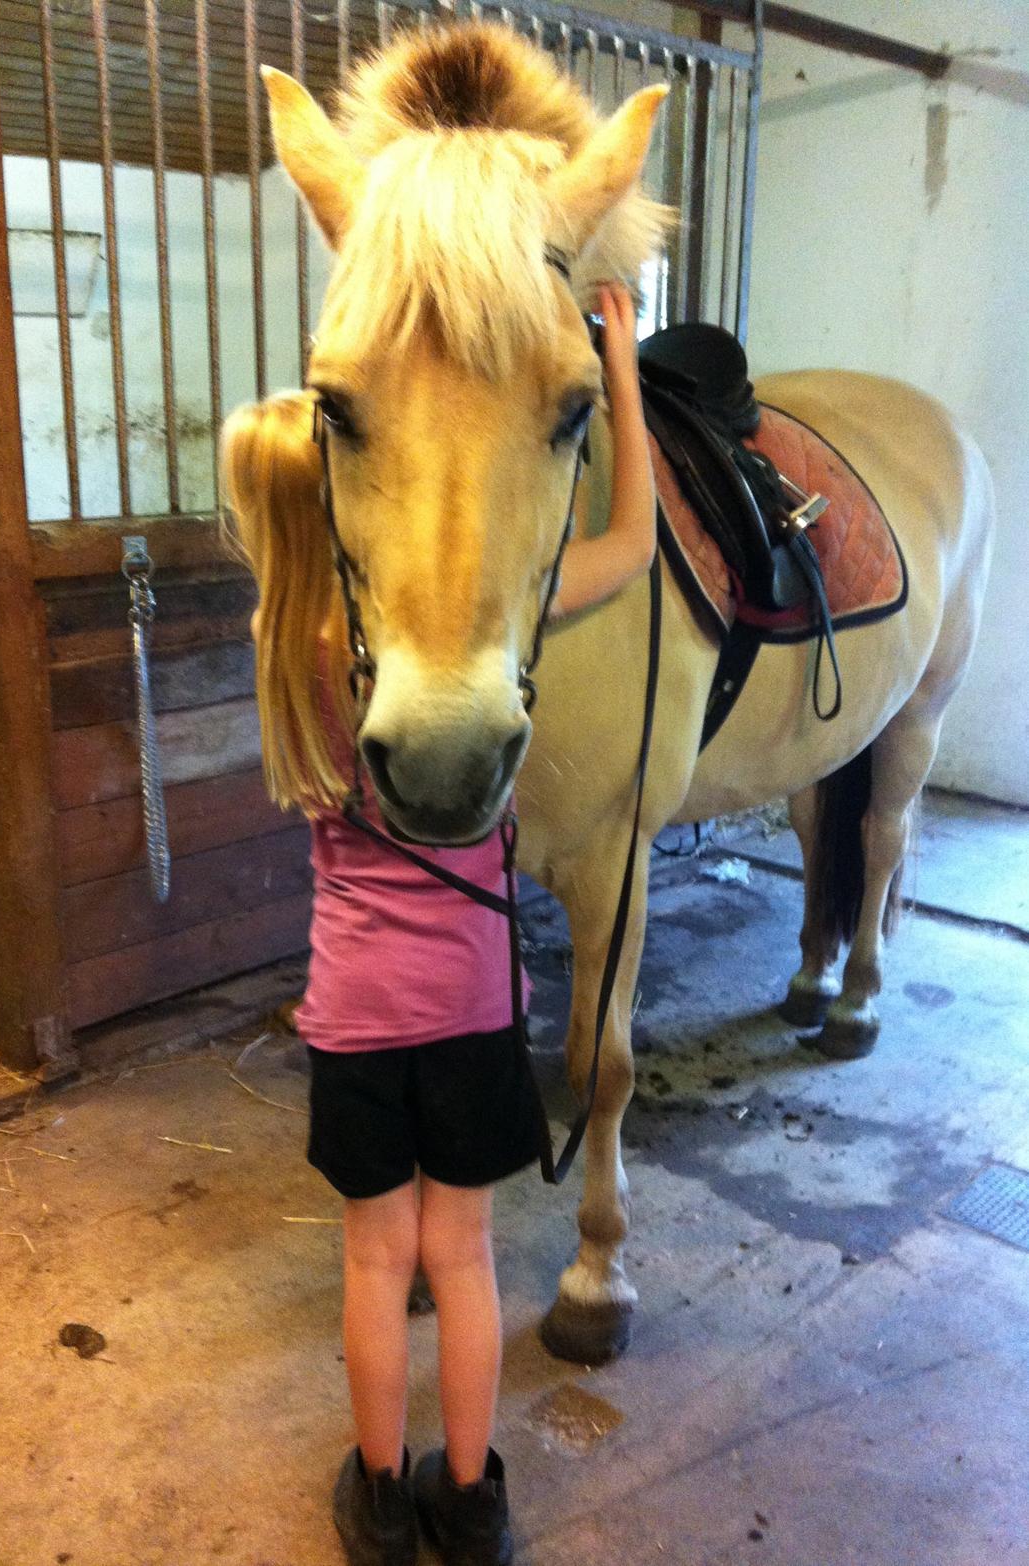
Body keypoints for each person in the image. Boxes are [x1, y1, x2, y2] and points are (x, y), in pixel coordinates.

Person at [225, 283, 655, 1566]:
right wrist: (615, 372)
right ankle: (469, 1502)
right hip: (473, 1013)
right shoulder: (484, 628)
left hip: (353, 1019)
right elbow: (631, 542)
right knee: (463, 1262)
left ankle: (375, 1488)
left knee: (375, 1267)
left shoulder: (286, 639)